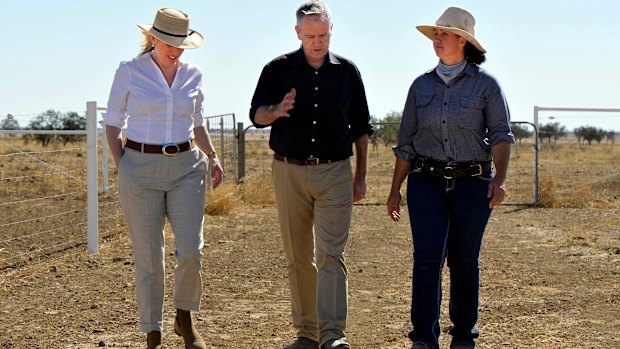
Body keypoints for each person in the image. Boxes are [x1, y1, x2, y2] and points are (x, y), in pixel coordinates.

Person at [386, 7, 514, 349]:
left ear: (463, 40)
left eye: (443, 34)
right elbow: (406, 143)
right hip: (425, 182)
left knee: (464, 260)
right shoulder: (420, 85)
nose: (437, 39)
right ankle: (424, 338)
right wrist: (395, 189)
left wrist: (499, 178)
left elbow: (501, 134)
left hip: (473, 183)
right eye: (435, 35)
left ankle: (463, 337)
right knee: (427, 258)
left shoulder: (487, 86)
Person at [249, 1, 374, 348]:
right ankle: (306, 332)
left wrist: (360, 175)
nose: (317, 42)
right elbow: (256, 114)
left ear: (331, 31)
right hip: (288, 171)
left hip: (336, 172)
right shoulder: (276, 70)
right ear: (297, 33)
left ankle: (332, 335)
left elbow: (362, 128)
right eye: (310, 36)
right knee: (299, 256)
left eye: (323, 35)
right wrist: (277, 110)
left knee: (331, 254)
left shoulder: (348, 73)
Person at [102, 8, 223, 349]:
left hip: (187, 167)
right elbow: (112, 122)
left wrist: (213, 157)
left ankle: (184, 317)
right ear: (153, 38)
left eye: (181, 44)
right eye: (169, 42)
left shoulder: (193, 75)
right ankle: (152, 332)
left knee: (190, 251)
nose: (175, 49)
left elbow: (197, 123)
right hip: (139, 169)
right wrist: (122, 163)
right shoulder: (129, 71)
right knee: (149, 256)